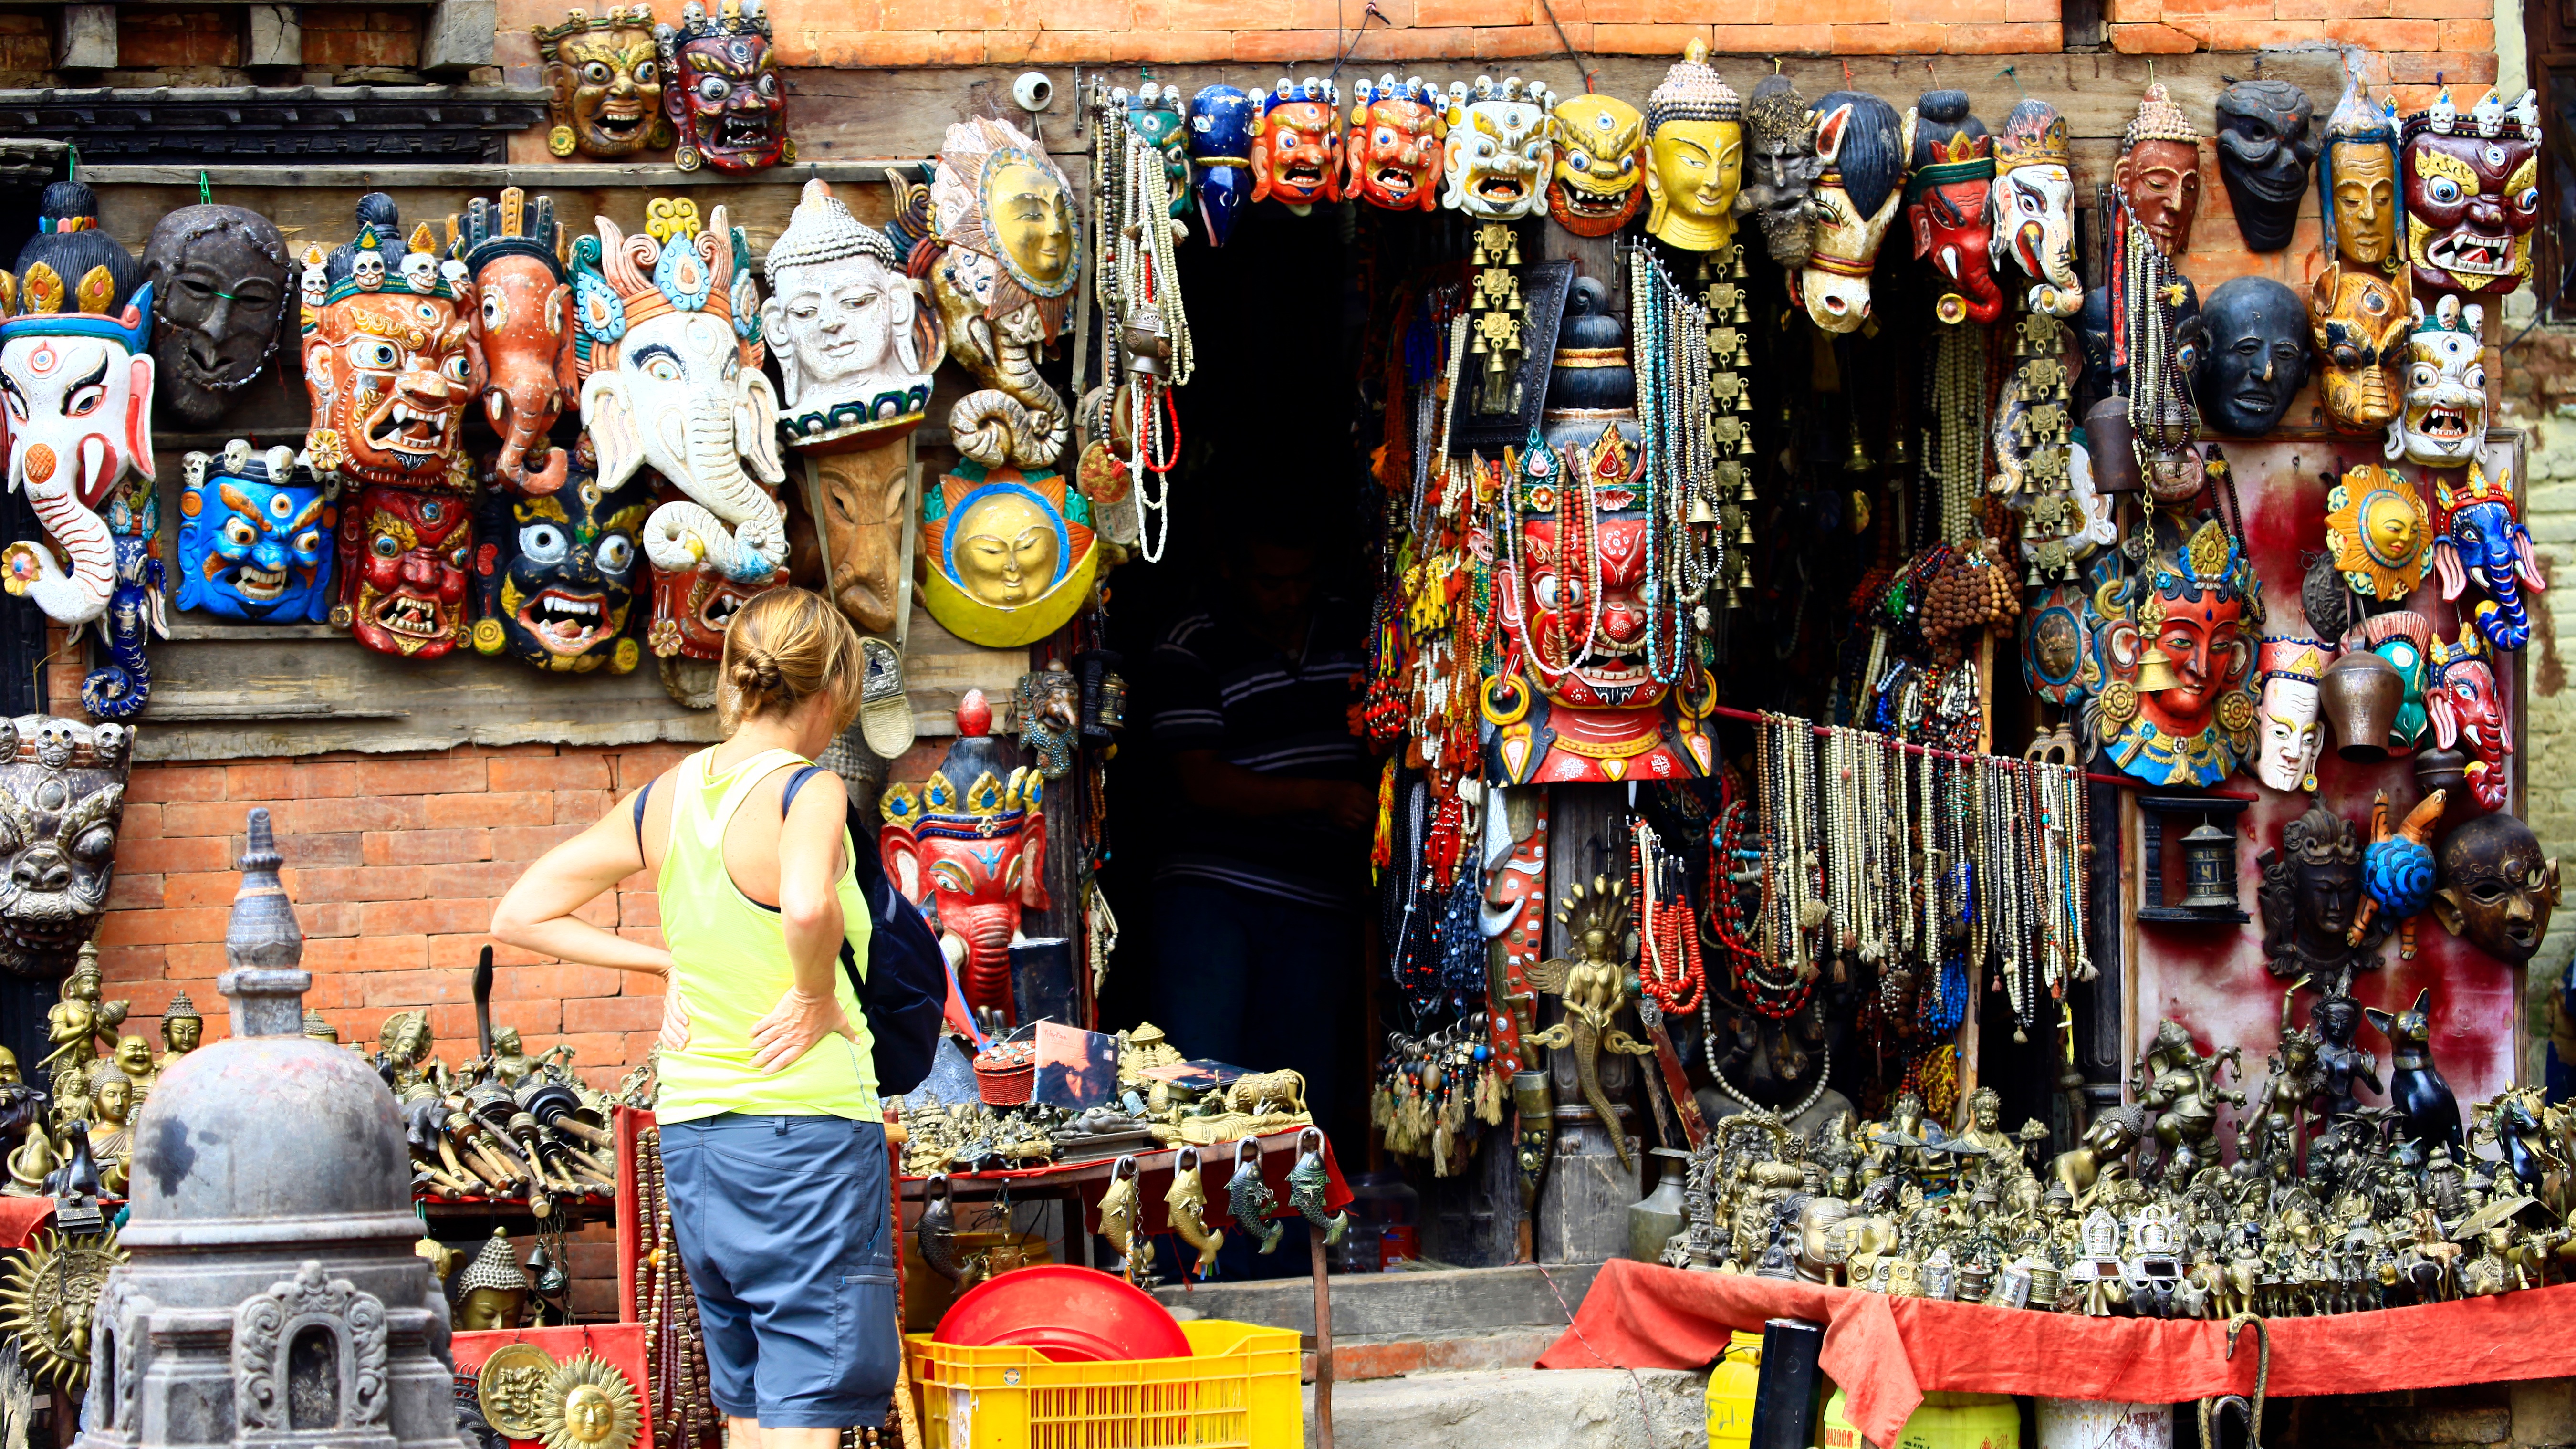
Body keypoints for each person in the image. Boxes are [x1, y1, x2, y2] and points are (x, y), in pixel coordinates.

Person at [491, 587, 894, 1446]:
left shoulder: (670, 796)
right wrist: (816, 994)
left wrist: (664, 957)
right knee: (809, 1402)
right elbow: (806, 905)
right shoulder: (808, 789)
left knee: (745, 1399)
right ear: (830, 691)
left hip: (697, 1138)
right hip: (805, 1134)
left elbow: (521, 911)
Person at [1147, 531, 1372, 1147]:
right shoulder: (1193, 641)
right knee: (1204, 1083)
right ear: (1230, 569)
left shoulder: (1349, 627)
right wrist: (1323, 797)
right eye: (1272, 582)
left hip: (1317, 899)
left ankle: (1297, 1245)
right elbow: (1200, 779)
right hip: (1213, 892)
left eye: (1302, 579)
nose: (1290, 596)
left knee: (1301, 1093)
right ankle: (1208, 1243)